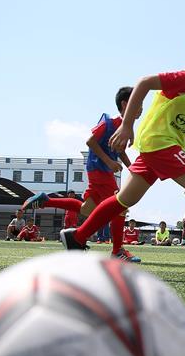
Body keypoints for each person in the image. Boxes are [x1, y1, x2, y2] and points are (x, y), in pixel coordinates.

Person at [59, 26, 185, 278]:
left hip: (157, 147)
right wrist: (126, 126)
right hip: (160, 142)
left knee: (124, 199)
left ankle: (77, 238)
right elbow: (144, 83)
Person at [22, 87, 141, 263]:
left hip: (99, 171)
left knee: (87, 209)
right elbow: (90, 141)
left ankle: (46, 200)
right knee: (120, 206)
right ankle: (117, 250)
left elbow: (120, 151)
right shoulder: (112, 123)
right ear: (125, 104)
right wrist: (109, 162)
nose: (141, 109)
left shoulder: (123, 127)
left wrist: (133, 168)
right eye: (138, 103)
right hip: (99, 170)